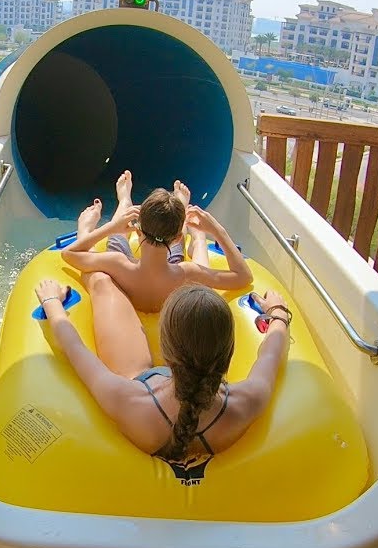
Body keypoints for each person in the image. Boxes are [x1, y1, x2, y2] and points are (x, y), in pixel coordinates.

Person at [34, 277, 291, 483]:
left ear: (165, 349)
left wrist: (52, 301)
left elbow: (74, 346)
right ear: (229, 353)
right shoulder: (249, 401)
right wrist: (277, 312)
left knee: (103, 284)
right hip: (210, 413)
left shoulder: (126, 399)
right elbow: (271, 351)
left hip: (148, 396)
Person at [60, 170, 254, 313]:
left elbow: (68, 254)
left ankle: (124, 202)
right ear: (179, 236)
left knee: (116, 240)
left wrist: (112, 227)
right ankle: (195, 233)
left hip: (129, 275)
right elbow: (244, 277)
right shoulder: (187, 273)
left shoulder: (117, 263)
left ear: (137, 229)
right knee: (183, 255)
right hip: (171, 275)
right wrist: (218, 231)